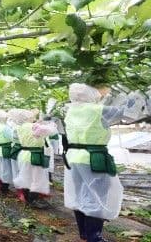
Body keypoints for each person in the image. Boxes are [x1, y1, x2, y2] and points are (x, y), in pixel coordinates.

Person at [62, 83, 127, 242]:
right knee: (97, 197)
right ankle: (94, 236)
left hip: (74, 157)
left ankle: (84, 234)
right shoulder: (98, 110)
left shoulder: (70, 111)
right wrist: (125, 94)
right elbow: (127, 112)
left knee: (80, 196)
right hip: (93, 158)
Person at [11, 109, 57, 209]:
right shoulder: (33, 126)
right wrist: (51, 123)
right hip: (34, 154)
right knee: (37, 178)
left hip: (24, 154)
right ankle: (33, 200)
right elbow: (50, 131)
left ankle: (28, 198)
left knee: (27, 177)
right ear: (27, 117)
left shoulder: (20, 127)